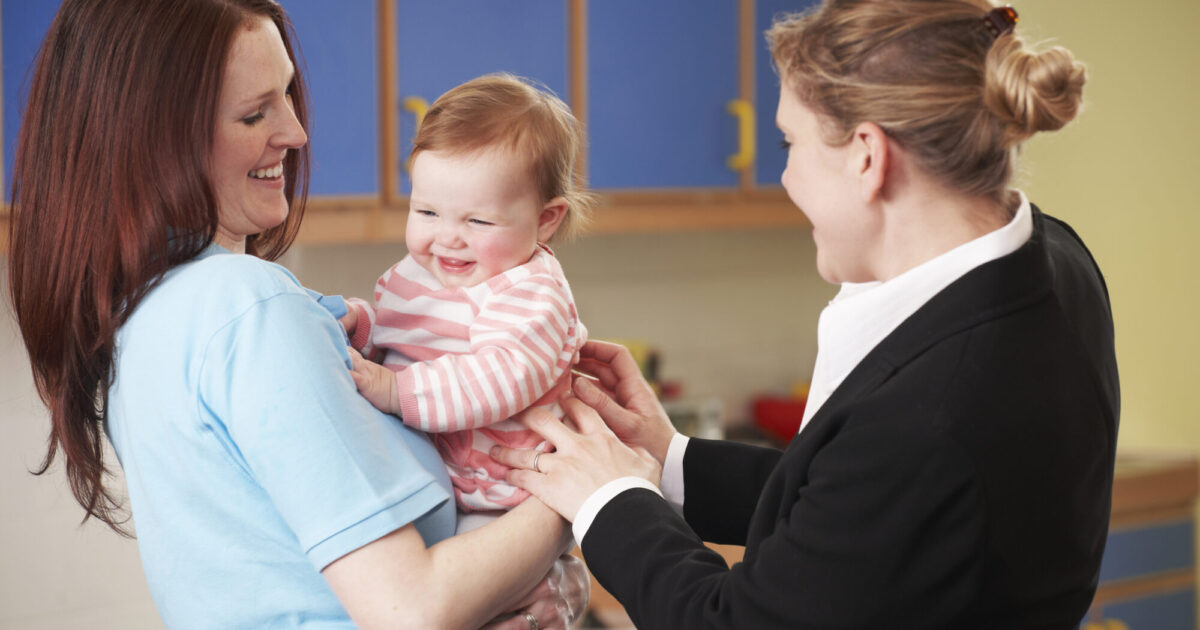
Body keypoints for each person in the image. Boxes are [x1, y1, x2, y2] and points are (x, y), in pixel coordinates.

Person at [494, 1, 1120, 628]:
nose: (788, 178)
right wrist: (668, 460)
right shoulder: (1051, 258)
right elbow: (856, 510)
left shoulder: (931, 414)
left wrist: (609, 498)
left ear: (867, 157)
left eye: (789, 142)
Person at [6, 1, 585, 629]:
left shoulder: (139, 315)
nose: (296, 132)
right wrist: (581, 492)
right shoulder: (249, 311)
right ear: (153, 138)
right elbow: (410, 611)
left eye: (285, 95)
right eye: (255, 113)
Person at [341, 74, 594, 522]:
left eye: (477, 221)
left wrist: (395, 390)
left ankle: (557, 588)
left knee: (503, 587)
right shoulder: (423, 271)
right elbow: (400, 334)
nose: (447, 238)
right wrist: (359, 324)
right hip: (439, 482)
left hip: (504, 494)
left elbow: (501, 377)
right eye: (427, 212)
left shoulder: (532, 293)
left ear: (546, 219)